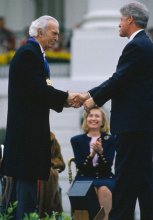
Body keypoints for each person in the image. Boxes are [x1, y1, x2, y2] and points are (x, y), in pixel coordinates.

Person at [80, 2, 153, 220]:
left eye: (121, 20)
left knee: (125, 181)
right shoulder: (145, 44)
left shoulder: (137, 46)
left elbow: (118, 79)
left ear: (130, 19)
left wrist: (91, 99)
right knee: (142, 181)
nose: (118, 24)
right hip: (140, 126)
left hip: (132, 127)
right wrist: (89, 95)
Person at [2, 15, 79, 220]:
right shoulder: (29, 53)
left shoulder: (33, 53)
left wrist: (63, 99)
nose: (57, 37)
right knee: (26, 194)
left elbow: (39, 90)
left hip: (26, 134)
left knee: (23, 192)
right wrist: (67, 98)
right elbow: (38, 89)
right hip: (27, 136)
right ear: (39, 33)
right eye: (54, 33)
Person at [70, 107, 116, 220]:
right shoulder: (76, 140)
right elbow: (81, 166)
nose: (93, 118)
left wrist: (100, 153)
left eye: (97, 116)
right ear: (86, 119)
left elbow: (107, 166)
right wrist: (92, 154)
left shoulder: (110, 139)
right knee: (86, 190)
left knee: (104, 190)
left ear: (102, 121)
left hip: (104, 177)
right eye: (90, 116)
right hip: (84, 177)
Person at [38, 131, 65, 217]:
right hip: (26, 173)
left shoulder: (52, 139)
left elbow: (61, 162)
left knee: (48, 174)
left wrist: (50, 163)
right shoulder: (21, 135)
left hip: (46, 178)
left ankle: (46, 213)